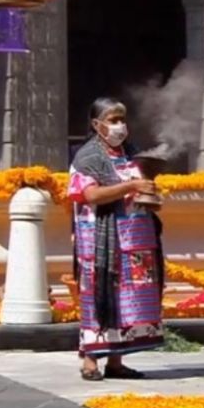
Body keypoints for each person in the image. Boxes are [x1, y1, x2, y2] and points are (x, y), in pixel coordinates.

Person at [68, 97, 165, 381]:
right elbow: (90, 195)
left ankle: (116, 361)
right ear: (97, 125)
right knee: (99, 295)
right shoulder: (87, 157)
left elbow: (141, 188)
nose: (119, 126)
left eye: (122, 119)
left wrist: (148, 195)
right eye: (112, 120)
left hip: (136, 240)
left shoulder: (132, 154)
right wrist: (131, 185)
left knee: (126, 299)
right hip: (101, 238)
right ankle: (90, 361)